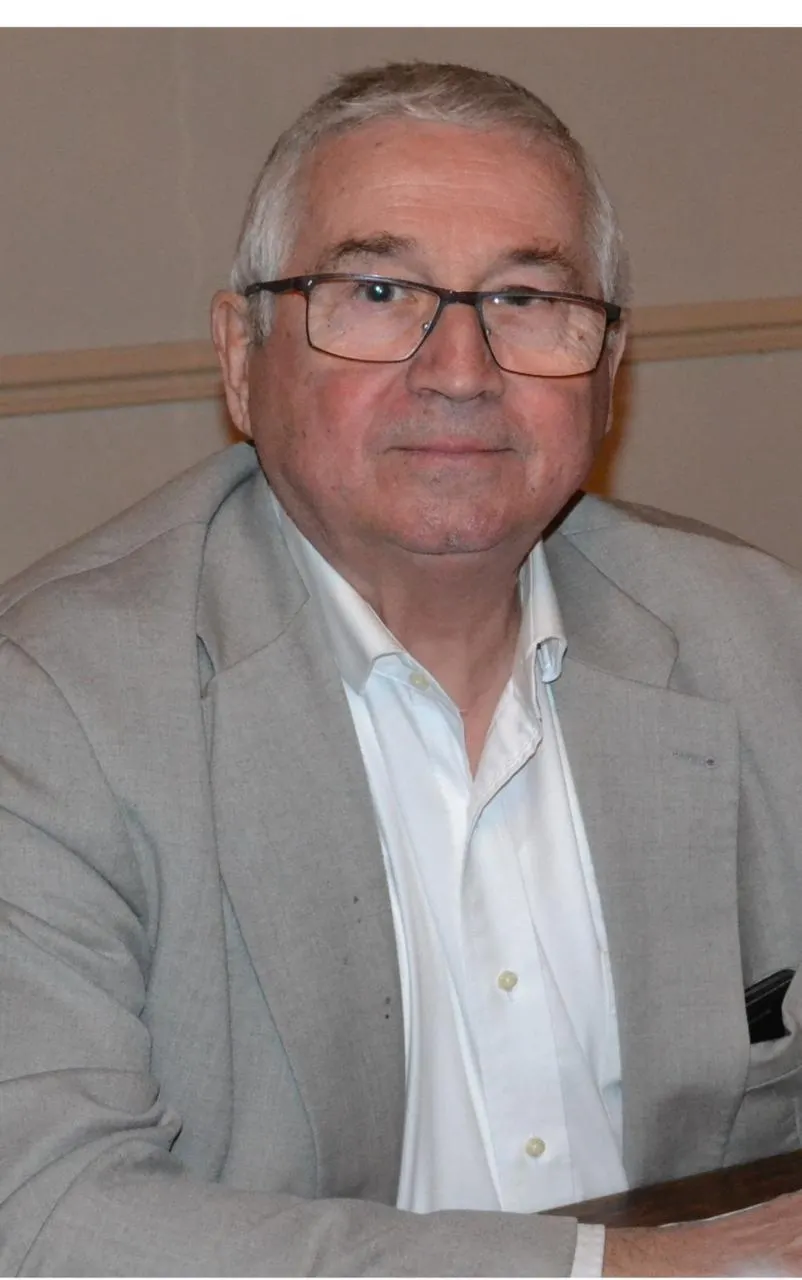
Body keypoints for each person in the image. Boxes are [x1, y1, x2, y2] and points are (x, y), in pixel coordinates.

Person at [2, 59, 802, 1278]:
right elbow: (44, 1214)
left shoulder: (758, 639)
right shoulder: (56, 706)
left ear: (606, 366)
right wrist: (624, 1271)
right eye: (377, 291)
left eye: (526, 298)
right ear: (240, 356)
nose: (461, 369)